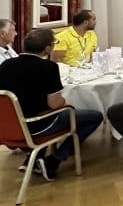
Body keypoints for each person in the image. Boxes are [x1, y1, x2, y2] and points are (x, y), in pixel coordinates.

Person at [0, 28, 102, 181]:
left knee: (48, 110)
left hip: (9, 126)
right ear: (47, 48)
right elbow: (55, 104)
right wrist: (68, 106)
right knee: (95, 116)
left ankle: (34, 159)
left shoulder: (6, 65)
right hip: (37, 125)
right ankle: (55, 160)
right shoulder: (48, 67)